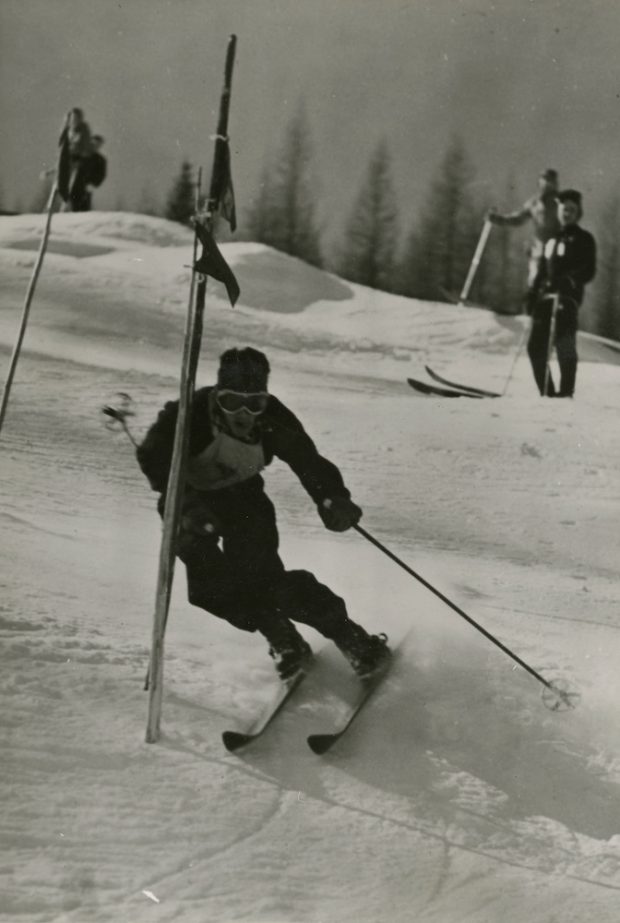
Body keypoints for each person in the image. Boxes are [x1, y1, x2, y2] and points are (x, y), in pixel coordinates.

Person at [136, 347, 391, 681]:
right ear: (217, 395)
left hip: (244, 500)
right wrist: (185, 506)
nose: (243, 413)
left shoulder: (273, 419)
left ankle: (353, 639)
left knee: (264, 579)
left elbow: (307, 460)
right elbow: (153, 457)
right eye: (231, 402)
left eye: (254, 403)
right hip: (190, 503)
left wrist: (332, 498)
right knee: (209, 586)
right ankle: (282, 637)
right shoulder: (189, 415)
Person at [526, 189, 596, 397]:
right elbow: (541, 271)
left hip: (567, 298)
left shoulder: (584, 239)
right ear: (559, 211)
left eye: (572, 210)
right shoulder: (552, 240)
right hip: (546, 299)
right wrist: (532, 293)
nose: (567, 213)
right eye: (564, 209)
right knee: (535, 348)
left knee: (564, 344)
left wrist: (570, 279)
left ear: (578, 213)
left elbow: (589, 269)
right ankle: (548, 393)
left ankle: (566, 393)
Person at [487, 168, 561, 302]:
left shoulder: (559, 202)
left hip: (554, 250)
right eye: (544, 181)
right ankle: (532, 313)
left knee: (550, 283)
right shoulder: (534, 202)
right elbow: (518, 218)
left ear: (555, 184)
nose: (546, 185)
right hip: (538, 250)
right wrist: (498, 219)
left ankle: (549, 314)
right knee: (534, 281)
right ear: (539, 182)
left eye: (550, 182)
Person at [78, 135, 107, 211]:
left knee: (83, 210)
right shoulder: (80, 155)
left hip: (87, 188)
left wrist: (93, 184)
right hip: (73, 186)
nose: (96, 146)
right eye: (94, 144)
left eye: (98, 145)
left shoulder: (100, 160)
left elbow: (101, 175)